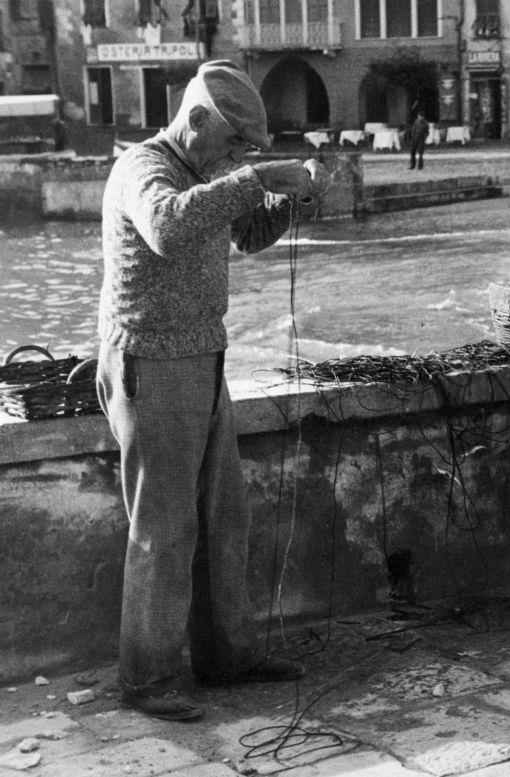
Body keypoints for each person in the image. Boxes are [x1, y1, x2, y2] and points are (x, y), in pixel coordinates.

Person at [96, 59, 330, 722]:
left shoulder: (206, 173)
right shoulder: (143, 169)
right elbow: (168, 226)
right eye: (231, 144)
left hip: (201, 356)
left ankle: (227, 654)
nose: (236, 158)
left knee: (225, 516)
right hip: (151, 365)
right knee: (164, 527)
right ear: (194, 119)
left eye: (244, 152)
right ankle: (146, 677)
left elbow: (247, 234)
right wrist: (256, 178)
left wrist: (290, 199)